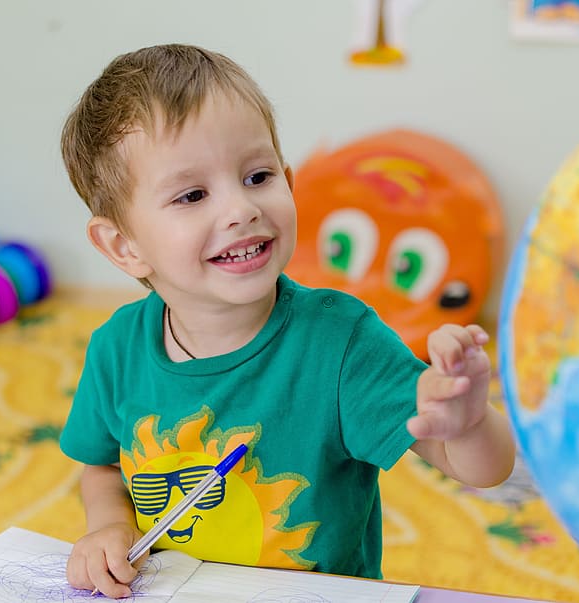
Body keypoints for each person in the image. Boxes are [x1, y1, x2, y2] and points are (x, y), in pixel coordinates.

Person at [58, 43, 516, 598]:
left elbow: (480, 469)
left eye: (257, 177)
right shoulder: (115, 349)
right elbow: (102, 467)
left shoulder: (342, 343)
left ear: (289, 181)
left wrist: (469, 425)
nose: (242, 208)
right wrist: (107, 526)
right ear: (123, 245)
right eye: (193, 194)